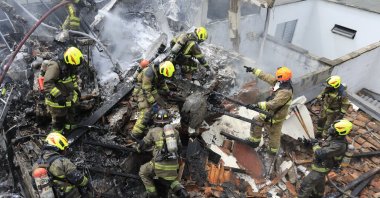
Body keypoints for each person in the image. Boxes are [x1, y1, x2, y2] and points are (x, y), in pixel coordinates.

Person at [137, 109, 189, 198]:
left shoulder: (153, 131)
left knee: (143, 171)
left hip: (159, 165)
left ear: (156, 120)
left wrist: (138, 149)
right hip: (173, 166)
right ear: (168, 120)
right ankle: (181, 191)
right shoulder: (175, 132)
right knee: (170, 179)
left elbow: (142, 145)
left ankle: (152, 194)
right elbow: (180, 148)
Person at [244, 66, 294, 154]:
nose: (276, 78)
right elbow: (267, 77)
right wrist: (254, 70)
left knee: (272, 132)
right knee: (261, 124)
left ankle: (268, 149)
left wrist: (259, 105)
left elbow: (274, 104)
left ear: (282, 78)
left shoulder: (285, 92)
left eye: (278, 76)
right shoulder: (281, 83)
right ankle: (262, 145)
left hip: (276, 115)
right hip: (273, 113)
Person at [297, 119, 351, 198]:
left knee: (306, 184)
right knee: (319, 183)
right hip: (321, 164)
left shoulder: (339, 146)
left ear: (341, 132)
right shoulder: (334, 137)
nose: (330, 129)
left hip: (322, 168)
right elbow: (323, 144)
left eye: (333, 129)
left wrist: (315, 145)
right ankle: (317, 195)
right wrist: (308, 143)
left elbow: (320, 153)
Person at [32, 132, 91, 197]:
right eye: (65, 148)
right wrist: (87, 183)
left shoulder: (36, 164)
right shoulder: (63, 161)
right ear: (58, 148)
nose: (66, 150)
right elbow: (78, 178)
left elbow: (34, 185)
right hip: (69, 194)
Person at [130, 61, 175, 140]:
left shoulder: (160, 73)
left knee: (162, 105)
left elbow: (162, 83)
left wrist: (168, 92)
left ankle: (154, 122)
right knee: (146, 111)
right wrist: (153, 103)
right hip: (141, 91)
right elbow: (145, 90)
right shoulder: (149, 73)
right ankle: (135, 134)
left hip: (151, 90)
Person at [44, 47, 82, 134]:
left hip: (69, 96)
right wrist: (58, 96)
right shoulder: (55, 66)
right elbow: (47, 83)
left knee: (72, 117)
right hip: (57, 101)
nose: (75, 67)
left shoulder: (70, 65)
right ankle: (57, 136)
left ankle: (70, 132)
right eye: (74, 65)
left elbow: (72, 78)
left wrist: (76, 89)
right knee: (59, 121)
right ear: (68, 61)